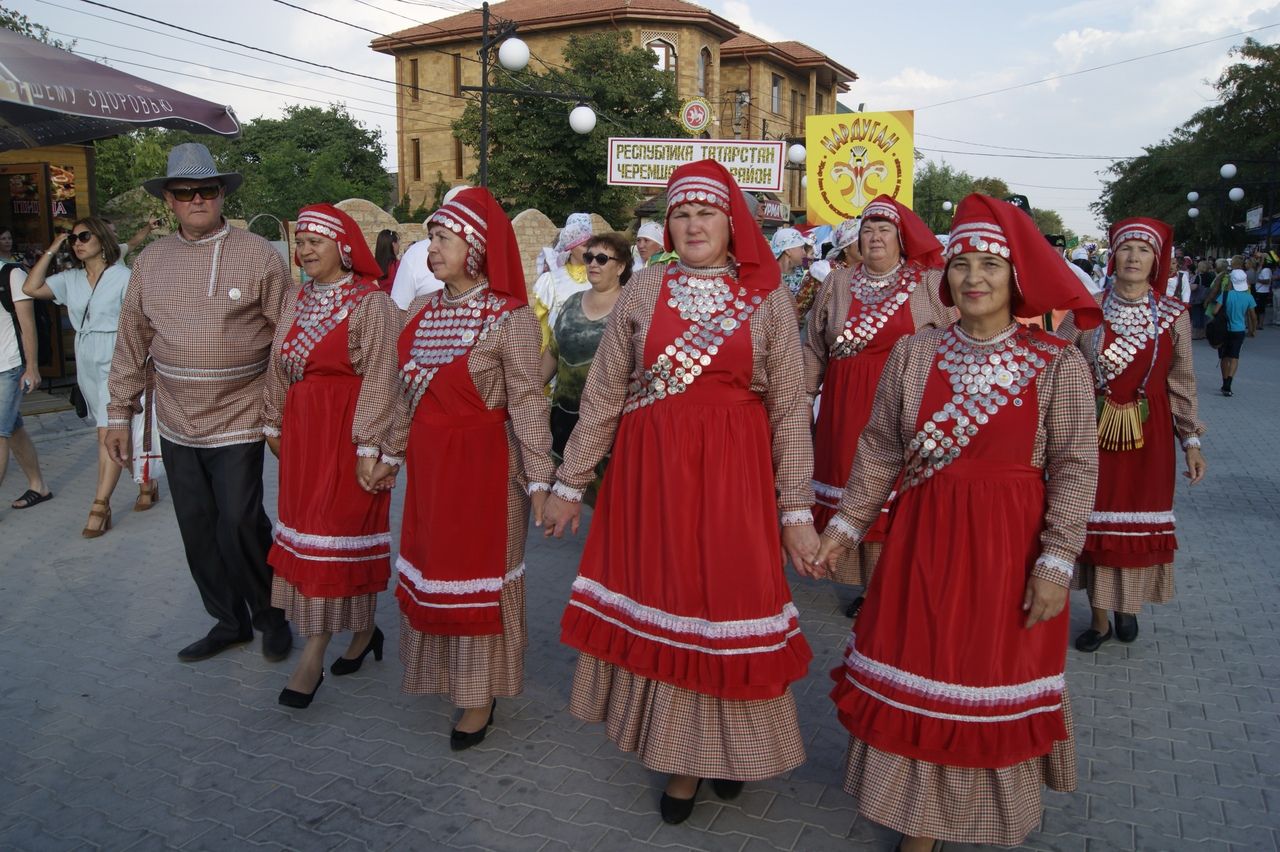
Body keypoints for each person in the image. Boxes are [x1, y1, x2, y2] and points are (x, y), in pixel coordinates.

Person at [815, 193, 1101, 850]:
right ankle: (919, 820)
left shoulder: (1057, 363)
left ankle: (988, 813)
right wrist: (846, 528)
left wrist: (1057, 562)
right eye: (963, 264)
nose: (974, 278)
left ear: (1017, 279)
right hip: (921, 542)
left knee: (988, 673)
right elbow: (881, 447)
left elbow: (1077, 468)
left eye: (991, 266)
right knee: (922, 664)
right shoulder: (915, 356)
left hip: (1010, 550)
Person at [542, 159, 819, 825]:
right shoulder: (645, 291)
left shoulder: (768, 296)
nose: (694, 224)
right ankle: (686, 758)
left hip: (734, 481)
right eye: (683, 213)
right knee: (672, 606)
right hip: (651, 479)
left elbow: (788, 410)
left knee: (725, 609)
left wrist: (797, 510)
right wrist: (568, 481)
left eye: (707, 213)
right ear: (669, 225)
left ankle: (730, 750)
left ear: (733, 224)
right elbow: (605, 393)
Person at [106, 142, 293, 664]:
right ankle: (228, 621)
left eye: (205, 190)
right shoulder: (150, 261)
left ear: (221, 194)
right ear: (169, 200)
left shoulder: (257, 253)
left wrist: (283, 409)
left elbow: (291, 332)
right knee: (196, 523)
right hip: (176, 415)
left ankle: (271, 612)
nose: (196, 199)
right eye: (184, 192)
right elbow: (131, 337)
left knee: (238, 519)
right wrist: (119, 412)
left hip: (242, 410)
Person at [380, 187, 553, 749]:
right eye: (431, 237)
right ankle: (448, 674)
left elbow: (528, 404)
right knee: (435, 571)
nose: (431, 248)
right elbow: (399, 393)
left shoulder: (510, 318)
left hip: (486, 468)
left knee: (479, 579)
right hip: (431, 469)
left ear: (476, 248)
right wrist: (383, 453)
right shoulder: (423, 312)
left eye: (443, 238)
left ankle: (480, 693)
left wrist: (542, 483)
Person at [261, 204, 401, 709]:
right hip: (303, 433)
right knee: (317, 537)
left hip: (347, 434)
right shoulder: (297, 299)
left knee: (337, 533)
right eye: (301, 243)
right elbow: (278, 365)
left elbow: (385, 377)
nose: (305, 251)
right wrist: (272, 420)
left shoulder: (371, 304)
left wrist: (369, 443)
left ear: (343, 247)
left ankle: (312, 656)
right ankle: (363, 631)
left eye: (315, 242)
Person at [804, 195, 950, 618]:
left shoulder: (926, 284)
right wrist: (803, 398)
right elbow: (814, 345)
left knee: (894, 493)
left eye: (884, 229)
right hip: (844, 408)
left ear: (902, 239)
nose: (874, 237)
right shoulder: (838, 282)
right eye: (867, 229)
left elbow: (954, 338)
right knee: (854, 488)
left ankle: (891, 585)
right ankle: (870, 584)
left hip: (901, 408)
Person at [1072, 218, 1208, 652]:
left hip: (1149, 436)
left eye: (1143, 250)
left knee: (1136, 523)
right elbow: (1058, 365)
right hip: (1092, 433)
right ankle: (1099, 621)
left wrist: (1191, 441)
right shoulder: (1088, 307)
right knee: (1093, 524)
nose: (1133, 257)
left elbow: (1182, 379)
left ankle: (1127, 607)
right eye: (1126, 248)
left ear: (1156, 261)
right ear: (1113, 256)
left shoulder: (1172, 315)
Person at [22, 217, 146, 536]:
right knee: (108, 430)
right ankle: (147, 479)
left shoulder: (123, 278)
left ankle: (99, 505)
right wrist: (51, 249)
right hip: (86, 356)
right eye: (72, 239)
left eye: (84, 236)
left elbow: (138, 324)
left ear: (102, 241)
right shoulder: (70, 280)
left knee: (108, 431)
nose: (77, 243)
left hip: (116, 355)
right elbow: (30, 287)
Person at [541, 232, 629, 504]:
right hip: (565, 416)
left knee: (611, 498)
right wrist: (527, 391)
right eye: (589, 257)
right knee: (570, 493)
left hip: (610, 423)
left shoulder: (631, 307)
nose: (593, 263)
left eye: (602, 259)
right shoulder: (570, 303)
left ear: (621, 266)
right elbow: (553, 354)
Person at [0, 228, 52, 511]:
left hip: (7, 365)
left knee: (0, 432)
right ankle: (39, 486)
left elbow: (27, 325)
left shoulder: (12, 274)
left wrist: (32, 367)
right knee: (13, 428)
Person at [531, 213, 592, 350]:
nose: (590, 250)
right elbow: (541, 328)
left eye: (592, 245)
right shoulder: (551, 281)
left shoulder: (600, 277)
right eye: (585, 245)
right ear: (571, 247)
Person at [1213, 267, 1257, 398]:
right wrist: (1253, 330)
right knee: (1234, 357)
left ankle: (1224, 381)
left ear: (1231, 281)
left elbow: (1215, 311)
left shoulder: (1225, 295)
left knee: (1224, 357)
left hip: (1224, 331)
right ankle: (1229, 383)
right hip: (1239, 330)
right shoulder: (1248, 297)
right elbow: (1253, 316)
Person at [772, 226, 819, 321]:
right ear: (788, 251)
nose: (804, 253)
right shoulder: (769, 275)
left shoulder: (806, 275)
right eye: (801, 248)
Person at [374, 228, 400, 293]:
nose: (399, 245)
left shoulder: (374, 265)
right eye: (398, 242)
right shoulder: (397, 265)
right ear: (393, 244)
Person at [1254, 261, 1272, 329]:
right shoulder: (1261, 269)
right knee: (1257, 308)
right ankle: (1257, 324)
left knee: (1260, 309)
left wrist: (1257, 280)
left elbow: (1267, 281)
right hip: (1259, 290)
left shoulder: (1266, 270)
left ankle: (1260, 324)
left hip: (1262, 291)